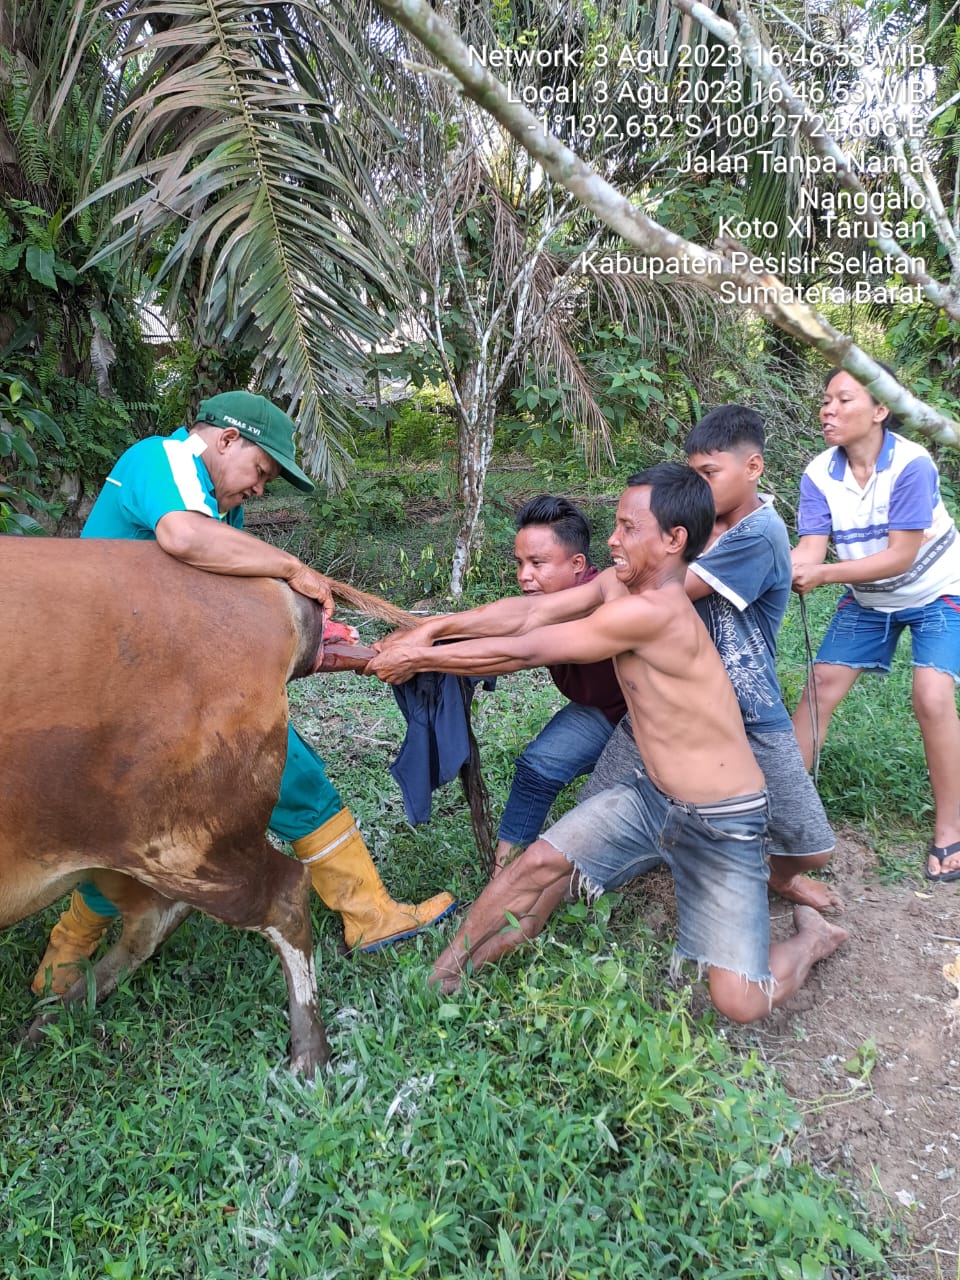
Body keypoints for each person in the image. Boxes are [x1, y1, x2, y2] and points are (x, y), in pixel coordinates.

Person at [368, 464, 848, 1022]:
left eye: (628, 528)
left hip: (723, 819)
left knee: (738, 1002)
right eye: (616, 526)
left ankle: (813, 939)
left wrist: (421, 658)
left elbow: (531, 648)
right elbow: (532, 611)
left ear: (674, 540)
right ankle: (440, 977)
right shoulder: (622, 584)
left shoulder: (653, 611)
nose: (613, 540)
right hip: (651, 795)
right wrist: (434, 628)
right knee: (537, 864)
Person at [32, 391, 455, 995]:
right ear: (226, 440)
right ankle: (368, 913)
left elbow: (224, 606)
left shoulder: (222, 509)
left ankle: (67, 951)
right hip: (113, 687)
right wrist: (290, 566)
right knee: (260, 771)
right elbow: (182, 537)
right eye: (261, 471)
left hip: (165, 681)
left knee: (165, 813)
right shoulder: (165, 459)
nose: (260, 489)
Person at [580, 406, 839, 912]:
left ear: (753, 468)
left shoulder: (760, 533)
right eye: (692, 474)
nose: (698, 487)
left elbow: (675, 586)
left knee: (810, 846)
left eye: (709, 474)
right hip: (672, 701)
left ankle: (777, 875)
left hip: (748, 711)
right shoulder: (706, 527)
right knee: (593, 817)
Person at [383, 496, 626, 875]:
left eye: (538, 563)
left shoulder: (605, 599)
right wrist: (425, 631)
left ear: (578, 564)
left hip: (645, 723)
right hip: (603, 709)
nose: (524, 575)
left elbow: (518, 653)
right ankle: (504, 873)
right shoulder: (554, 601)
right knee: (537, 767)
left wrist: (420, 656)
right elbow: (517, 615)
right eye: (520, 563)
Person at [791, 367, 960, 884]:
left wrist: (821, 574)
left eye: (844, 400)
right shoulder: (818, 473)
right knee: (818, 685)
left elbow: (899, 557)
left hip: (938, 590)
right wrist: (795, 566)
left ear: (880, 409)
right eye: (825, 401)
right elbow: (811, 551)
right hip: (867, 599)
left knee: (931, 696)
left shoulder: (912, 463)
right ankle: (782, 814)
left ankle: (951, 828)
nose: (828, 410)